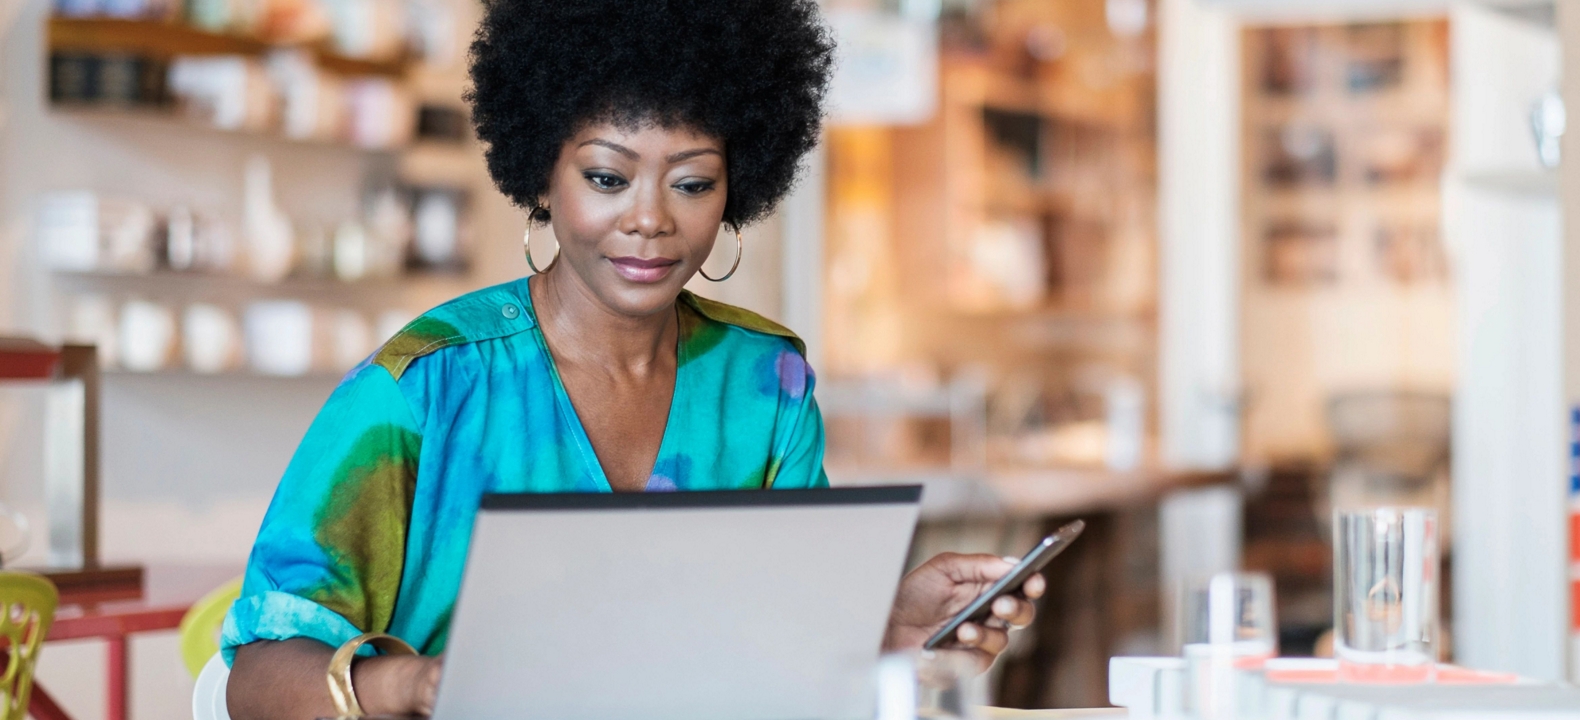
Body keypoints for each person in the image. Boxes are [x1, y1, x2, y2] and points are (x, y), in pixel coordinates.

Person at [223, 1, 1046, 717]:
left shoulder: (767, 386)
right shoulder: (423, 388)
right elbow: (257, 680)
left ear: (737, 189)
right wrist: (414, 684)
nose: (649, 219)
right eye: (608, 177)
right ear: (542, 173)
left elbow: (770, 659)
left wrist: (887, 630)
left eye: (691, 184)